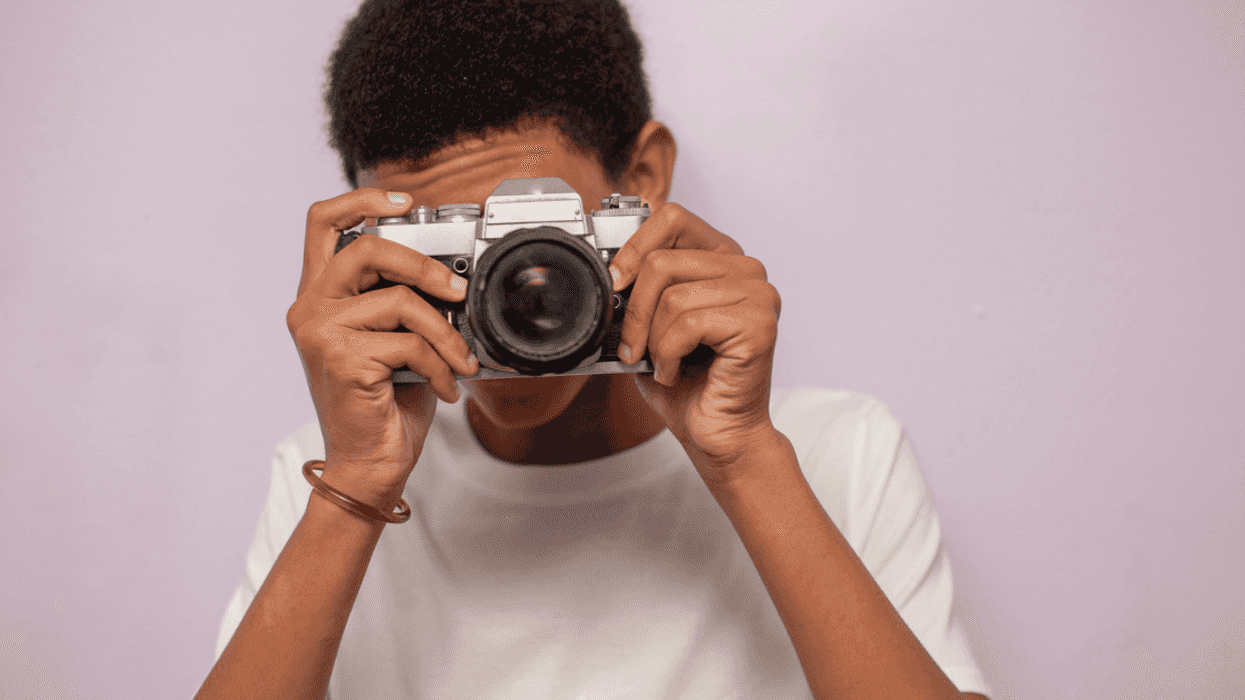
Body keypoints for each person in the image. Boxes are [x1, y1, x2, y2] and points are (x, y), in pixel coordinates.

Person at [196, 0, 994, 698]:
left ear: (641, 181)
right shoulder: (326, 478)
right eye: (458, 252)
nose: (511, 294)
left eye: (537, 236)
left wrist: (744, 459)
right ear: (373, 244)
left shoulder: (839, 453)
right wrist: (357, 487)